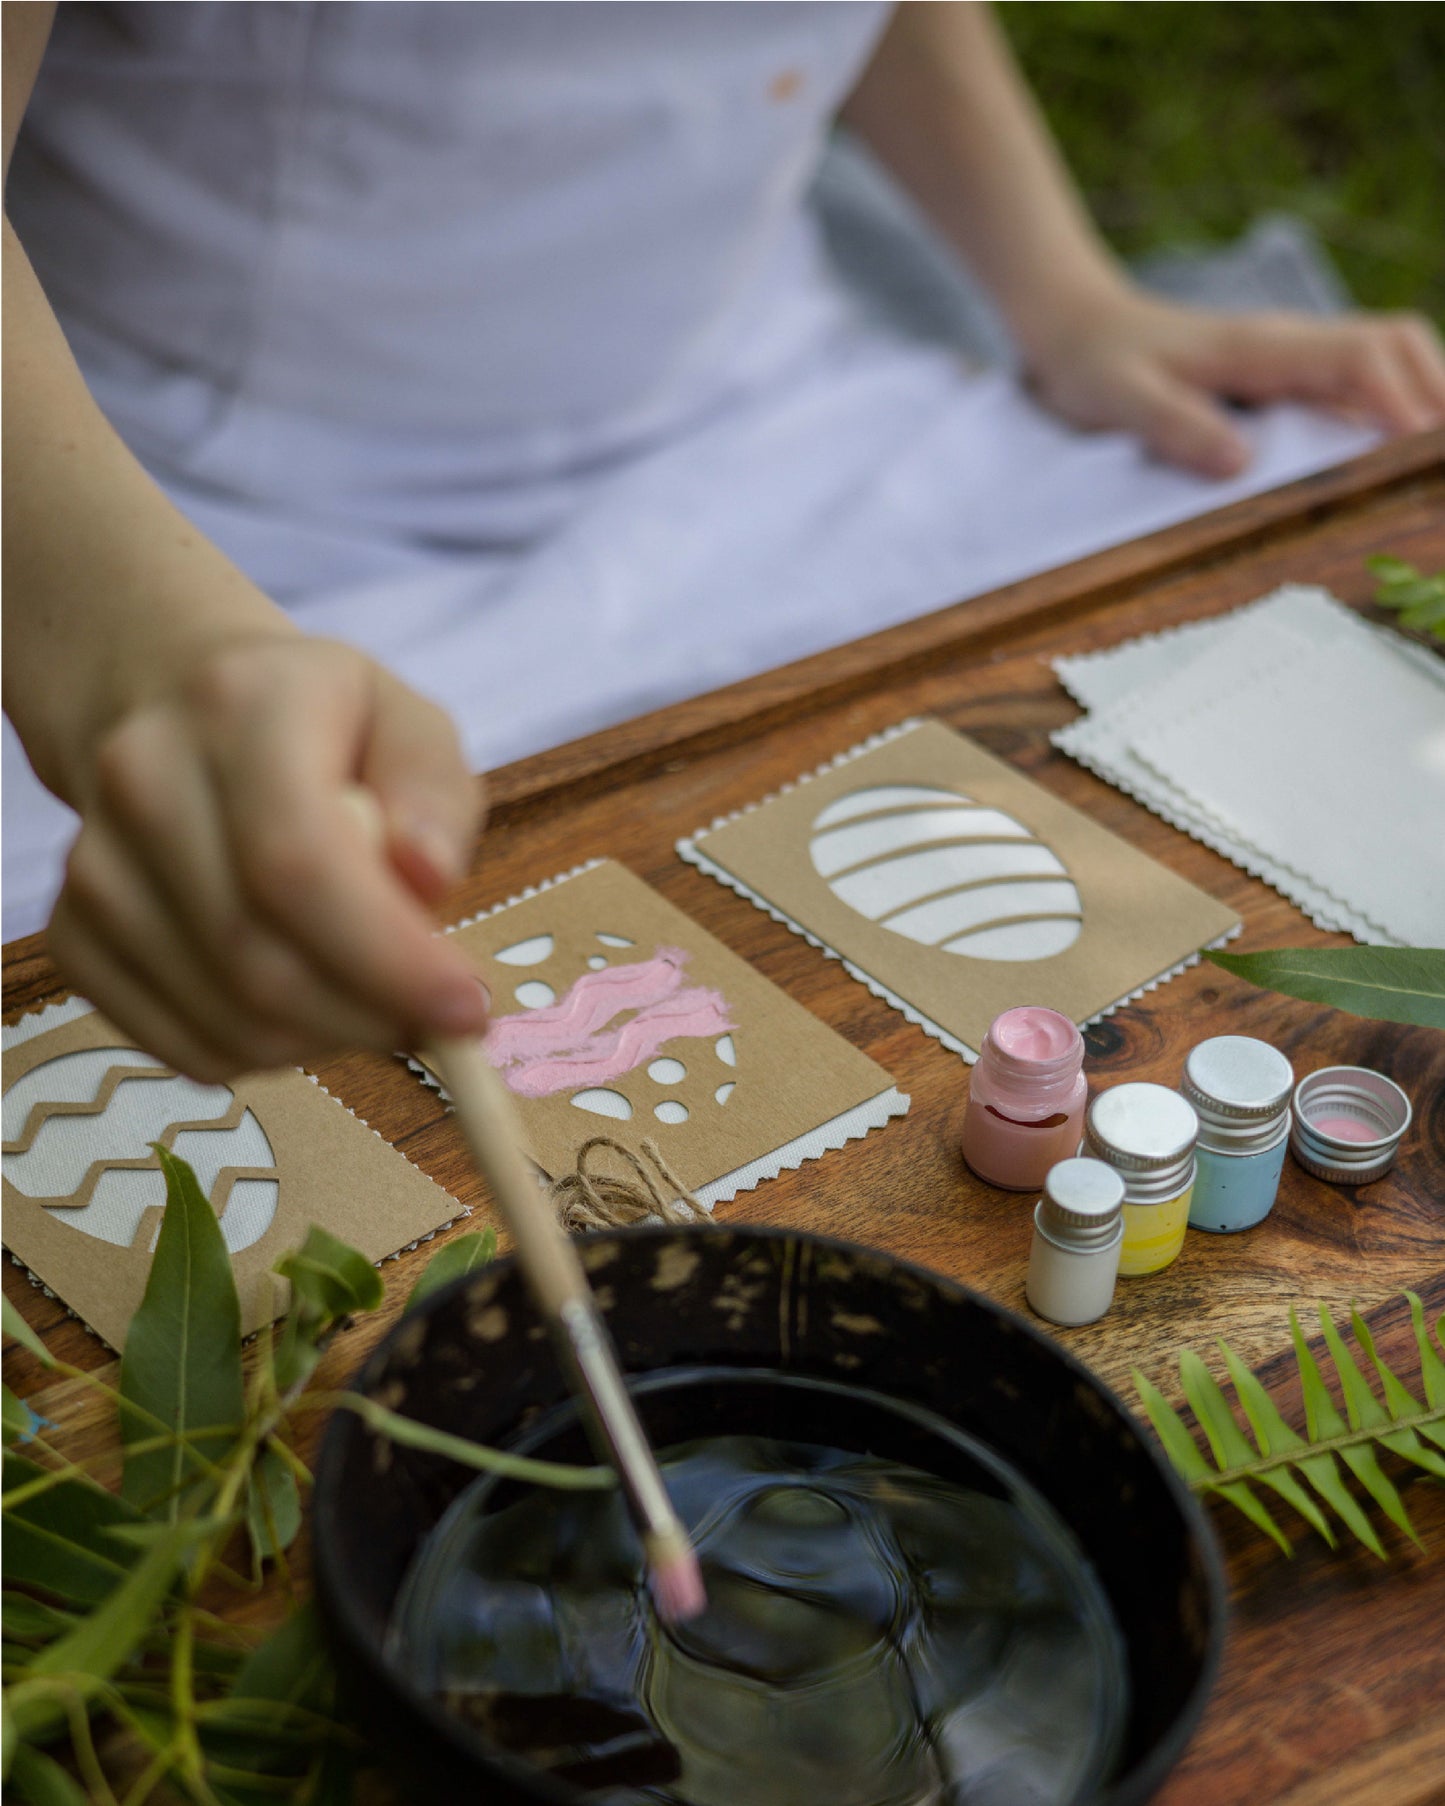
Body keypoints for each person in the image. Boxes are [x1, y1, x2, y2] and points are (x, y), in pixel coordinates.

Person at [5, 1, 1443, 1083]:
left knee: (1297, 563)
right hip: (155, 510)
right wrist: (141, 654)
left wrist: (1065, 299)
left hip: (766, 407)